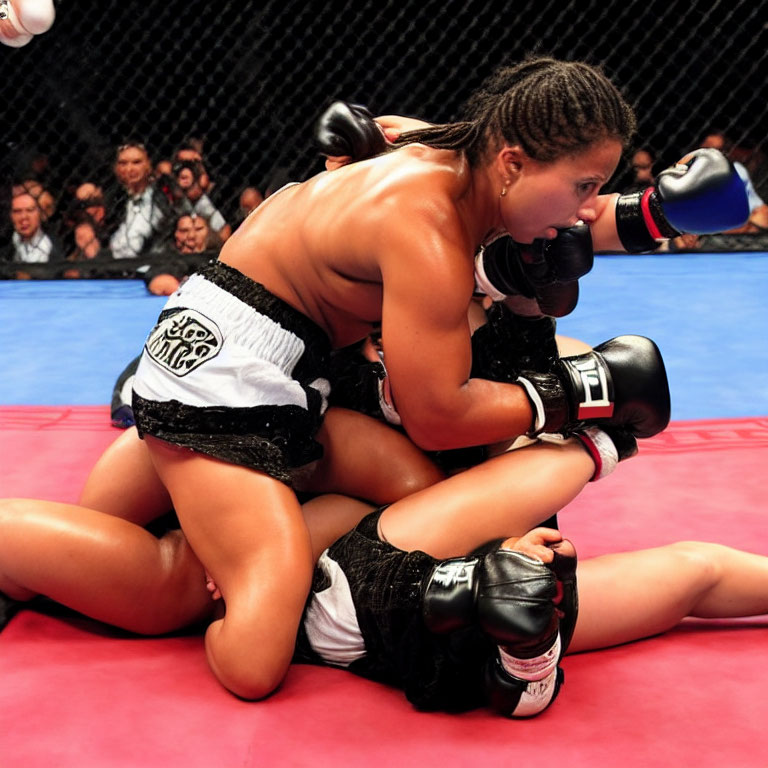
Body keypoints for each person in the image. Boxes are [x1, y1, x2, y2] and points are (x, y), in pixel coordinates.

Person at [126, 58, 748, 701]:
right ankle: (229, 564)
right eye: (587, 185)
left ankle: (230, 537)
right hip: (236, 382)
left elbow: (554, 216)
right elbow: (439, 414)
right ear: (511, 163)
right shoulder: (428, 233)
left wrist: (655, 215)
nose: (591, 207)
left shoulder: (449, 150)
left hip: (260, 360)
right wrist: (573, 397)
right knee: (245, 648)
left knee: (414, 477)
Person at [2, 435, 768, 718]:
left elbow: (699, 574)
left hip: (371, 609)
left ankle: (511, 631)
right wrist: (249, 550)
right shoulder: (356, 392)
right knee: (170, 563)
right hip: (346, 569)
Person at [108, 141, 174, 260]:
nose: (129, 169)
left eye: (136, 162)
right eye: (123, 163)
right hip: (113, 264)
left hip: (154, 262)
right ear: (115, 168)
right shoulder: (111, 200)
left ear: (148, 165)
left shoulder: (162, 195)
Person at [2, 190, 63, 264]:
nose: (23, 217)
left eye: (30, 210)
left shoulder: (56, 247)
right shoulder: (5, 249)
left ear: (40, 213)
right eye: (17, 211)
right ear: (10, 216)